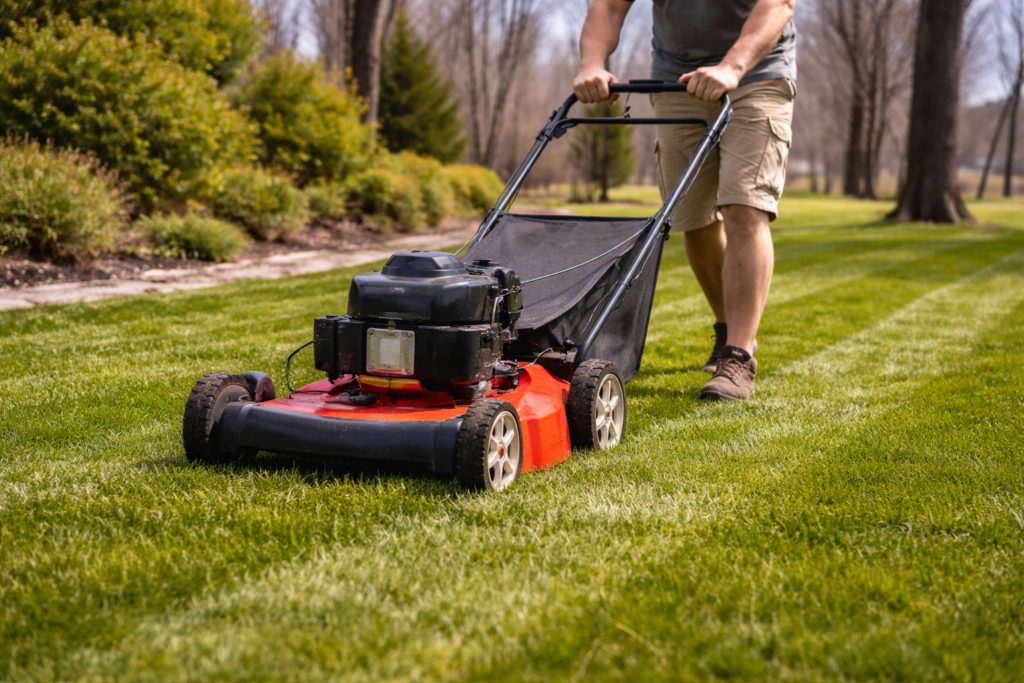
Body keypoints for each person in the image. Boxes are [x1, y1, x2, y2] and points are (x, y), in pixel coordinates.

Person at [574, 0, 796, 401]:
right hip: (675, 77)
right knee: (693, 221)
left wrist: (732, 66)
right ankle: (728, 330)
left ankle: (738, 356)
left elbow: (778, 4)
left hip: (756, 73)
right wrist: (592, 63)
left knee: (744, 208)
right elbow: (608, 6)